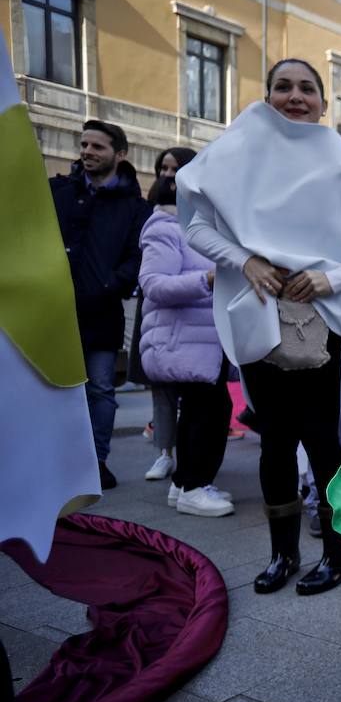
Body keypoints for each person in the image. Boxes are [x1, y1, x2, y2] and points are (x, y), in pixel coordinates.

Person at [180, 57, 341, 595]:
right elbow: (196, 228)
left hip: (322, 317)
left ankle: (338, 556)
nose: (295, 96)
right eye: (283, 86)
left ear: (323, 101)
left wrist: (331, 278)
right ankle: (282, 555)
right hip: (258, 311)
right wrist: (246, 261)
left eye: (307, 88)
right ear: (266, 95)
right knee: (273, 441)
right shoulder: (237, 151)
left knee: (321, 440)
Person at [49, 119, 153, 489]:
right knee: (57, 389)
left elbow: (138, 256)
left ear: (119, 154)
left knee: (100, 389)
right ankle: (60, 461)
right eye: (84, 145)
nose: (87, 152)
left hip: (103, 311)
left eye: (97, 147)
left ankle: (97, 462)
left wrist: (112, 283)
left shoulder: (134, 207)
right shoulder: (59, 191)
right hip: (53, 312)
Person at [137, 164, 235, 517]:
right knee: (204, 413)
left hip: (205, 342)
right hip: (185, 342)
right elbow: (154, 284)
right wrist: (207, 279)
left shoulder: (202, 229)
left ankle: (184, 485)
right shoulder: (166, 228)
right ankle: (193, 487)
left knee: (206, 410)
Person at [132, 146, 198, 483]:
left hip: (194, 321)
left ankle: (188, 467)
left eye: (176, 169)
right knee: (163, 394)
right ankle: (165, 455)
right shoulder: (157, 218)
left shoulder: (203, 212)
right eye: (164, 169)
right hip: (162, 319)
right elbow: (154, 280)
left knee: (197, 402)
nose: (168, 175)